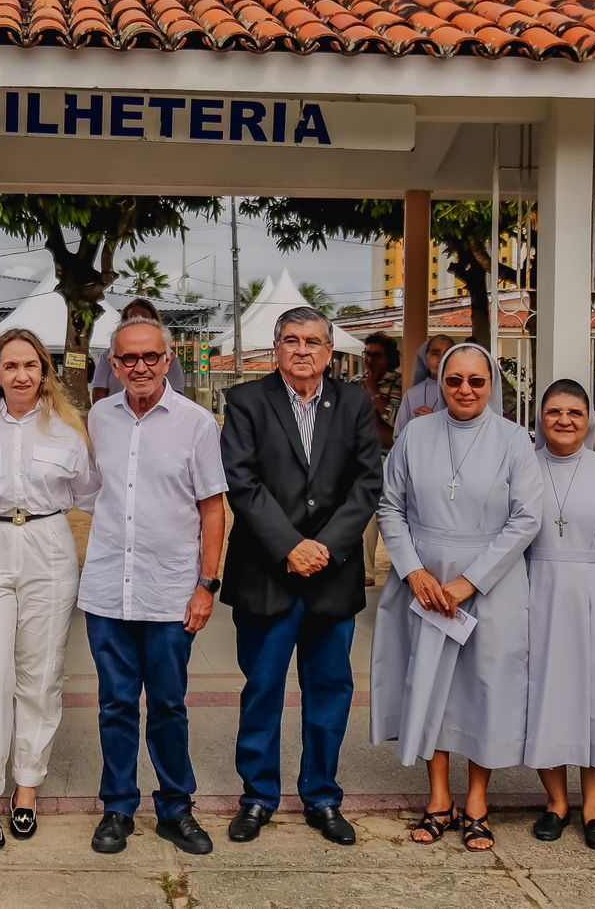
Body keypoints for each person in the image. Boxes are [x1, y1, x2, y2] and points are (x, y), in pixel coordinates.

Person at [220, 307, 382, 846]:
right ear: (276, 348)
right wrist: (290, 546)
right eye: (291, 340)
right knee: (263, 689)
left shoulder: (355, 403)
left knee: (330, 690)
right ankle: (258, 797)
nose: (303, 350)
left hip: (331, 575)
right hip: (267, 572)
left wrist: (323, 548)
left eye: (313, 341)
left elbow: (366, 484)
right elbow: (242, 485)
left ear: (329, 352)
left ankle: (322, 797)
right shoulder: (246, 402)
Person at [370, 342, 540, 853]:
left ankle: (479, 802)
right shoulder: (415, 433)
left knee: (483, 688)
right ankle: (439, 798)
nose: (465, 390)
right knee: (432, 687)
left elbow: (526, 518)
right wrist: (413, 570)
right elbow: (390, 505)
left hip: (491, 582)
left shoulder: (514, 440)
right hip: (424, 582)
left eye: (476, 381)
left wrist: (471, 582)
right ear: (439, 382)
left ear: (492, 385)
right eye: (454, 380)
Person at [81, 315, 227, 856]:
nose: (139, 367)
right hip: (108, 590)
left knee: (168, 704)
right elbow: (89, 491)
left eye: (150, 357)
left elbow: (213, 510)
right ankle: (117, 809)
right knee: (115, 703)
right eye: (128, 359)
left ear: (168, 361)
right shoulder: (99, 418)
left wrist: (206, 584)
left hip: (171, 592)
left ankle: (175, 808)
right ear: (113, 365)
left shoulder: (196, 424)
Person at [0, 329, 97, 849]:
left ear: (44, 372)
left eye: (30, 366)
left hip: (49, 543)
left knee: (40, 676)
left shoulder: (68, 429)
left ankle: (26, 788)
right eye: (9, 366)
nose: (20, 375)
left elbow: (87, 493)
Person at [523, 379, 595, 851]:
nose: (564, 421)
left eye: (574, 412)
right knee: (544, 697)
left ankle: (594, 806)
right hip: (537, 593)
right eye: (554, 412)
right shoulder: (523, 467)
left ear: (590, 417)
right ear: (541, 418)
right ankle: (555, 802)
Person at [361, 333, 404, 585]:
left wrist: (374, 392)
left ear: (389, 357)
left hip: (391, 457)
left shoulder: (400, 383)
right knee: (364, 517)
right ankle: (365, 572)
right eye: (367, 355)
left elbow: (397, 420)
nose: (370, 360)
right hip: (364, 459)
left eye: (376, 355)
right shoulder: (356, 383)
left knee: (391, 516)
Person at [90, 299, 184, 403]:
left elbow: (176, 393)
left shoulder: (168, 356)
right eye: (128, 359)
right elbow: (99, 391)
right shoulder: (109, 355)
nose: (140, 369)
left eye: (152, 358)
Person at [391, 334, 453, 444]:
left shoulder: (461, 391)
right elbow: (399, 436)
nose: (441, 359)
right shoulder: (411, 395)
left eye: (447, 353)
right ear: (426, 357)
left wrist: (434, 423)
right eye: (435, 353)